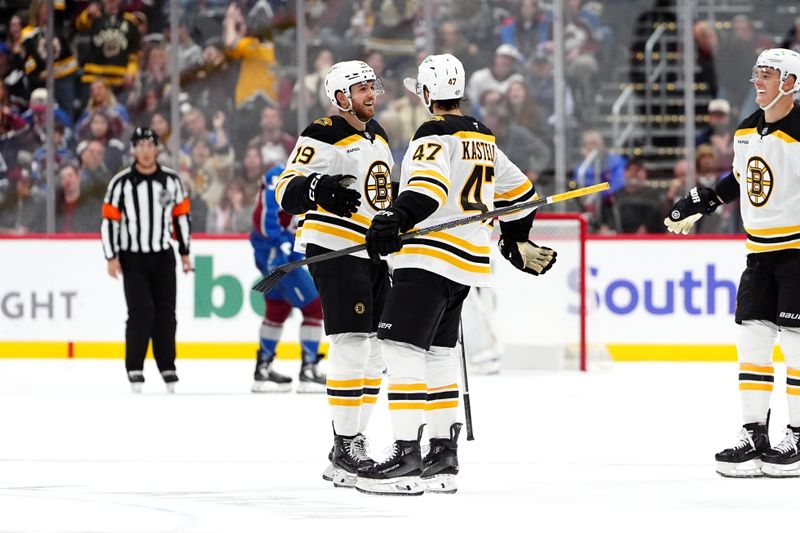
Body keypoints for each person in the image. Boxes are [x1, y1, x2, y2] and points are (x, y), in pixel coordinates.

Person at [358, 54, 557, 496]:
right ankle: (442, 458)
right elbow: (522, 193)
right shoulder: (482, 136)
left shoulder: (432, 132)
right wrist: (514, 239)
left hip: (427, 259)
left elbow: (427, 191)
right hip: (466, 263)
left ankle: (406, 457)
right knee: (438, 353)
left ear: (428, 94)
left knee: (400, 347)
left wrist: (393, 218)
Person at [665, 48, 800, 477]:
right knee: (753, 342)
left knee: (797, 347)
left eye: (768, 74)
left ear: (791, 83)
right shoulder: (745, 131)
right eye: (756, 73)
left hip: (797, 254)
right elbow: (739, 180)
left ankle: (798, 435)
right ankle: (754, 434)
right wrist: (702, 201)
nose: (758, 81)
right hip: (758, 254)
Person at [274, 60, 393, 488]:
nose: (370, 94)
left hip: (372, 251)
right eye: (361, 88)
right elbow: (285, 188)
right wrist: (318, 189)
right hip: (335, 248)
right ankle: (346, 446)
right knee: (353, 342)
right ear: (341, 96)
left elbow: (379, 197)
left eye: (372, 87)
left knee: (380, 350)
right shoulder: (322, 131)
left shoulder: (378, 135)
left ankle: (350, 444)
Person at [100, 127, 193, 393]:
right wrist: (111, 256)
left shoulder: (172, 181)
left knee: (166, 313)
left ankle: (167, 365)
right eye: (139, 145)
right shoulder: (120, 183)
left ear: (156, 149)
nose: (144, 150)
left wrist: (185, 252)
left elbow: (181, 218)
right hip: (132, 256)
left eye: (149, 144)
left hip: (163, 255)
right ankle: (135, 367)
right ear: (133, 149)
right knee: (141, 312)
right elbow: (110, 221)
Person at [250, 165, 325, 393]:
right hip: (278, 258)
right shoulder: (279, 174)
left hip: (280, 255)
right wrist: (280, 242)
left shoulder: (314, 174)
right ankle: (308, 369)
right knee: (314, 308)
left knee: (277, 308)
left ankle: (262, 369)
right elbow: (262, 216)